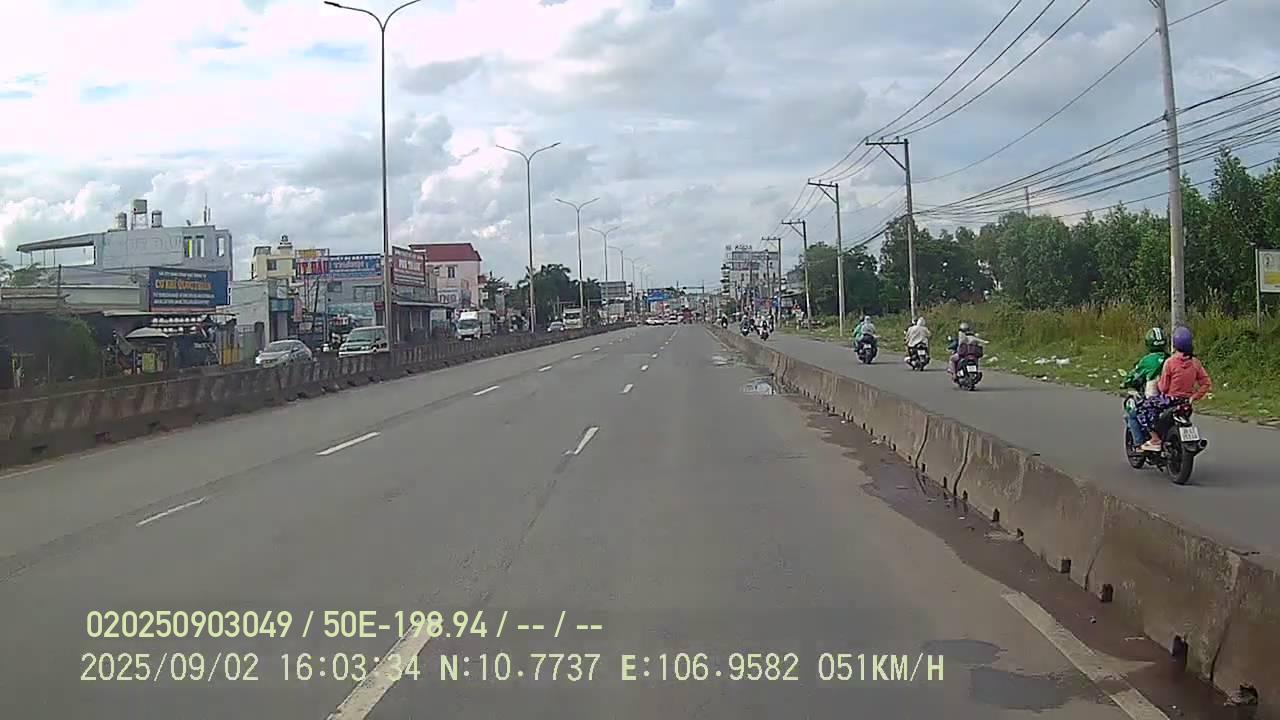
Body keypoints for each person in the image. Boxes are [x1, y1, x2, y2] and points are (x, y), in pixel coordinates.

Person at [1136, 326, 1212, 452]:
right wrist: (1194, 397)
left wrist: (1158, 383)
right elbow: (1206, 383)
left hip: (1170, 401)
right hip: (1186, 402)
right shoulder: (1195, 363)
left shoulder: (1170, 362)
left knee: (1142, 408)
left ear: (1175, 344)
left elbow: (1163, 388)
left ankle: (1155, 439)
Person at [1122, 327, 1169, 447]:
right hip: (1170, 398)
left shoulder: (1147, 361)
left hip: (1155, 399)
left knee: (1132, 412)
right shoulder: (1170, 358)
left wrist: (1125, 383)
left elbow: (1133, 376)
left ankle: (1139, 443)